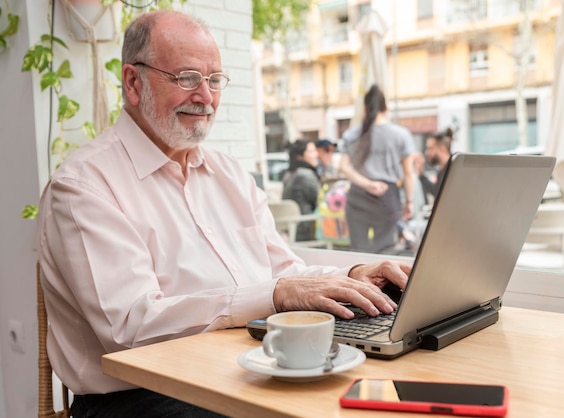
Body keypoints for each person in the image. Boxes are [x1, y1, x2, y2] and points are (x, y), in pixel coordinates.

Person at [37, 10, 411, 418]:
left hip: (241, 370)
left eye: (214, 80)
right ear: (133, 82)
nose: (205, 96)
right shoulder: (84, 186)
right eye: (187, 78)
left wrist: (351, 277)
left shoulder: (229, 175)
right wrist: (275, 294)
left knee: (384, 397)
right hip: (138, 397)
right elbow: (131, 328)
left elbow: (286, 271)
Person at [339, 84, 415, 254]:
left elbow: (343, 167)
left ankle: (357, 281)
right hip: (386, 197)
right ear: (385, 107)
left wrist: (367, 184)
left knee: (358, 252)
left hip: (357, 196)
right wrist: (409, 201)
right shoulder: (401, 135)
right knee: (385, 251)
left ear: (365, 108)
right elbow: (408, 174)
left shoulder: (352, 134)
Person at [282, 138, 320, 241]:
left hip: (292, 228)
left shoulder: (288, 174)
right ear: (300, 156)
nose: (317, 154)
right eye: (311, 151)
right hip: (307, 229)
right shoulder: (305, 175)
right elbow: (320, 201)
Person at [418, 128, 454, 203]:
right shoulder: (442, 171)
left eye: (430, 148)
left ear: (443, 149)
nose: (426, 153)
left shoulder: (453, 171)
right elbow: (437, 192)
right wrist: (421, 175)